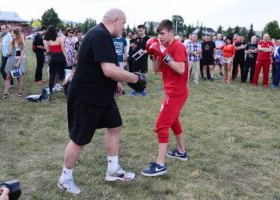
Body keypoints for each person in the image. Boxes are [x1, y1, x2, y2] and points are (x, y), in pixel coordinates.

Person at [58, 8, 145, 194]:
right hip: (86, 96)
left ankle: (113, 170)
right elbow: (109, 70)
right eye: (123, 23)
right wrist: (135, 78)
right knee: (79, 139)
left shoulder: (102, 35)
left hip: (102, 95)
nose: (124, 27)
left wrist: (117, 82)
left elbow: (106, 66)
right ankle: (65, 178)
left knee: (115, 126)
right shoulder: (99, 35)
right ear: (115, 20)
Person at [142, 19, 189, 176]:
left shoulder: (178, 46)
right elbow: (156, 70)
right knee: (173, 121)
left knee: (161, 125)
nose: (160, 37)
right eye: (158, 34)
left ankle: (160, 164)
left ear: (170, 32)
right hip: (171, 90)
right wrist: (154, 54)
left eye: (162, 33)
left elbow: (181, 69)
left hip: (177, 91)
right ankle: (181, 151)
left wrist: (165, 55)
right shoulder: (163, 47)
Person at [2, 28, 26, 99]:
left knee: (20, 77)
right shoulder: (11, 42)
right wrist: (7, 53)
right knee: (8, 77)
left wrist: (18, 63)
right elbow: (10, 52)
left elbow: (21, 54)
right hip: (11, 60)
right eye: (11, 33)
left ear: (17, 34)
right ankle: (5, 93)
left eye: (13, 33)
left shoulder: (21, 43)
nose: (12, 34)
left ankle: (20, 93)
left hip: (19, 61)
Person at [43, 25, 67, 95]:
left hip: (53, 57)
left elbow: (47, 51)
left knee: (52, 75)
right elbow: (63, 50)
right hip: (61, 57)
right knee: (63, 75)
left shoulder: (46, 40)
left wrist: (52, 54)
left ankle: (50, 90)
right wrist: (66, 59)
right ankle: (66, 90)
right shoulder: (60, 38)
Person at [132, 25, 149, 96]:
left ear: (144, 30)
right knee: (135, 74)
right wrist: (133, 47)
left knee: (143, 74)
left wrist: (146, 51)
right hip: (136, 60)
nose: (140, 32)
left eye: (141, 30)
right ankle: (136, 88)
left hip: (143, 60)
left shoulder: (148, 39)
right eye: (138, 31)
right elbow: (134, 49)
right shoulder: (136, 38)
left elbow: (151, 49)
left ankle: (144, 90)